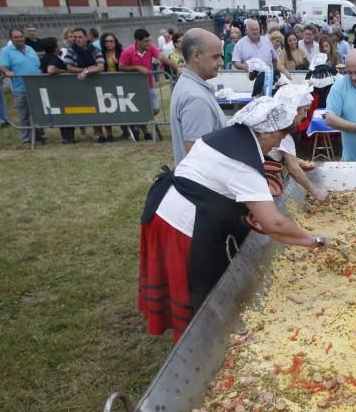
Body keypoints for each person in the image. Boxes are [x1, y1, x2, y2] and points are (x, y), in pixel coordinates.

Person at [139, 97, 330, 342]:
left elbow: (216, 184)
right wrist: (313, 240)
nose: (278, 143)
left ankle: (197, 332)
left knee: (183, 285)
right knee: (195, 286)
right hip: (182, 224)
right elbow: (275, 224)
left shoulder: (226, 136)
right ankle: (204, 341)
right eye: (278, 137)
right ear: (265, 132)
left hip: (164, 208)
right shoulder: (244, 163)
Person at [169, 28, 226, 164]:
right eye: (215, 57)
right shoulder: (196, 98)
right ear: (196, 56)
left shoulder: (189, 85)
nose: (221, 62)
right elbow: (198, 159)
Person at [269, 83, 328, 203]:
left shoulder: (275, 123)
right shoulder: (282, 133)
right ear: (293, 110)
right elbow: (294, 169)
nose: (306, 115)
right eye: (304, 110)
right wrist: (316, 192)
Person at [119, 28, 180, 142]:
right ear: (137, 41)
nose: (149, 43)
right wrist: (136, 67)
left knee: (155, 109)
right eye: (146, 41)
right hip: (134, 88)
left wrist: (177, 68)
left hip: (149, 85)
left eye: (149, 40)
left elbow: (164, 59)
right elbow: (121, 66)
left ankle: (138, 125)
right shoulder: (127, 52)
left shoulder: (151, 48)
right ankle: (143, 130)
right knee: (140, 109)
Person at [0, 27, 45, 146]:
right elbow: (3, 66)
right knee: (23, 115)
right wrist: (7, 72)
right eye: (16, 37)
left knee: (38, 113)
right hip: (20, 88)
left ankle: (40, 135)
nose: (19, 39)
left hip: (34, 86)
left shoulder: (30, 49)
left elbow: (37, 64)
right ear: (11, 38)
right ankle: (25, 138)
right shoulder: (6, 51)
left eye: (20, 36)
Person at [38, 37, 77, 145]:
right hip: (59, 89)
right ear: (55, 48)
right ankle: (69, 137)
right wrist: (64, 71)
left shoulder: (44, 58)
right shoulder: (54, 58)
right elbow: (51, 70)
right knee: (67, 112)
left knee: (60, 113)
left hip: (51, 89)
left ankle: (65, 136)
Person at [97, 32, 126, 143]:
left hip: (120, 83)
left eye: (111, 41)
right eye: (106, 41)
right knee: (106, 109)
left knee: (122, 107)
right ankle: (109, 133)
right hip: (105, 84)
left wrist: (119, 63)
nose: (109, 43)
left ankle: (126, 130)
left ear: (115, 42)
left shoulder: (121, 52)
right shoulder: (101, 53)